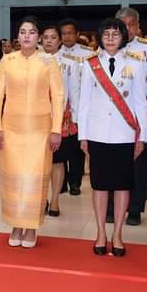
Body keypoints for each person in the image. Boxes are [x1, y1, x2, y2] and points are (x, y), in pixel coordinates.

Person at [78, 19, 147, 257]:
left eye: (115, 34)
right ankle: (100, 233)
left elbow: (140, 102)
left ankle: (117, 234)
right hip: (97, 133)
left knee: (121, 186)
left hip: (125, 134)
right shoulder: (90, 64)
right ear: (100, 37)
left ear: (123, 37)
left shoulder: (135, 65)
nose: (110, 38)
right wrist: (83, 135)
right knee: (99, 185)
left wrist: (142, 136)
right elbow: (84, 102)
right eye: (106, 34)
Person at [0, 17, 64, 249]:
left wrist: (56, 129)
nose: (26, 36)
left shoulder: (48, 61)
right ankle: (15, 224)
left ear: (38, 37)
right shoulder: (8, 60)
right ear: (17, 36)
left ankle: (31, 226)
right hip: (11, 129)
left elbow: (59, 97)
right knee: (13, 175)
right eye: (23, 32)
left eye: (32, 32)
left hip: (40, 130)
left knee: (33, 178)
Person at [115, 7, 147, 226]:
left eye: (131, 24)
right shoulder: (107, 46)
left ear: (137, 25)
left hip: (139, 114)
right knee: (112, 161)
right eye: (122, 24)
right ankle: (111, 207)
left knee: (139, 163)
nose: (127, 29)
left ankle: (135, 208)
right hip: (113, 114)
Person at [43, 25, 79, 218]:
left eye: (53, 37)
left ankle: (55, 199)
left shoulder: (69, 63)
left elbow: (74, 91)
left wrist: (76, 117)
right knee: (39, 162)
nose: (49, 41)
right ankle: (41, 199)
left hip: (60, 119)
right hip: (37, 118)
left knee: (57, 161)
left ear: (59, 40)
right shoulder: (32, 61)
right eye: (45, 37)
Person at [59, 19, 88, 195]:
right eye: (63, 33)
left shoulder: (87, 53)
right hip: (62, 106)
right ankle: (60, 181)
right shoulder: (54, 53)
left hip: (81, 105)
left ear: (77, 34)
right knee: (60, 147)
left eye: (70, 33)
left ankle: (75, 181)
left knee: (77, 148)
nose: (67, 36)